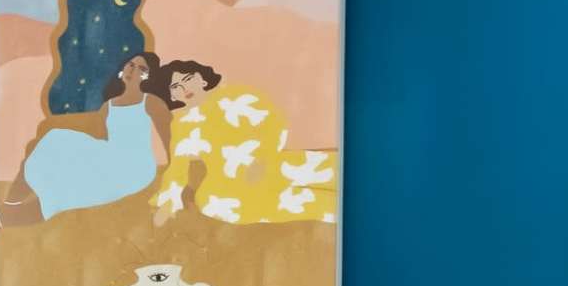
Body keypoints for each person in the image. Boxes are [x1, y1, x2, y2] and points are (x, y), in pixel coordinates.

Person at [149, 56, 337, 224]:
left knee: (335, 173)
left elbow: (273, 124)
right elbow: (178, 167)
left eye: (188, 79)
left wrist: (261, 159)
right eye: (175, 87)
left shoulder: (236, 95)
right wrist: (167, 204)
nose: (184, 88)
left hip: (269, 161)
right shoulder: (182, 123)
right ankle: (326, 207)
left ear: (202, 78)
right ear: (172, 95)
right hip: (229, 184)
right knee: (209, 203)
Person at [17, 46, 165, 219]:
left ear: (148, 76)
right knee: (56, 138)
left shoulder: (150, 102)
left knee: (71, 164)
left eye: (142, 68)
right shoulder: (108, 106)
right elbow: (100, 138)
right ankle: (15, 206)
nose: (133, 70)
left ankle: (24, 209)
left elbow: (169, 137)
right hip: (112, 156)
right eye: (131, 64)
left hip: (137, 167)